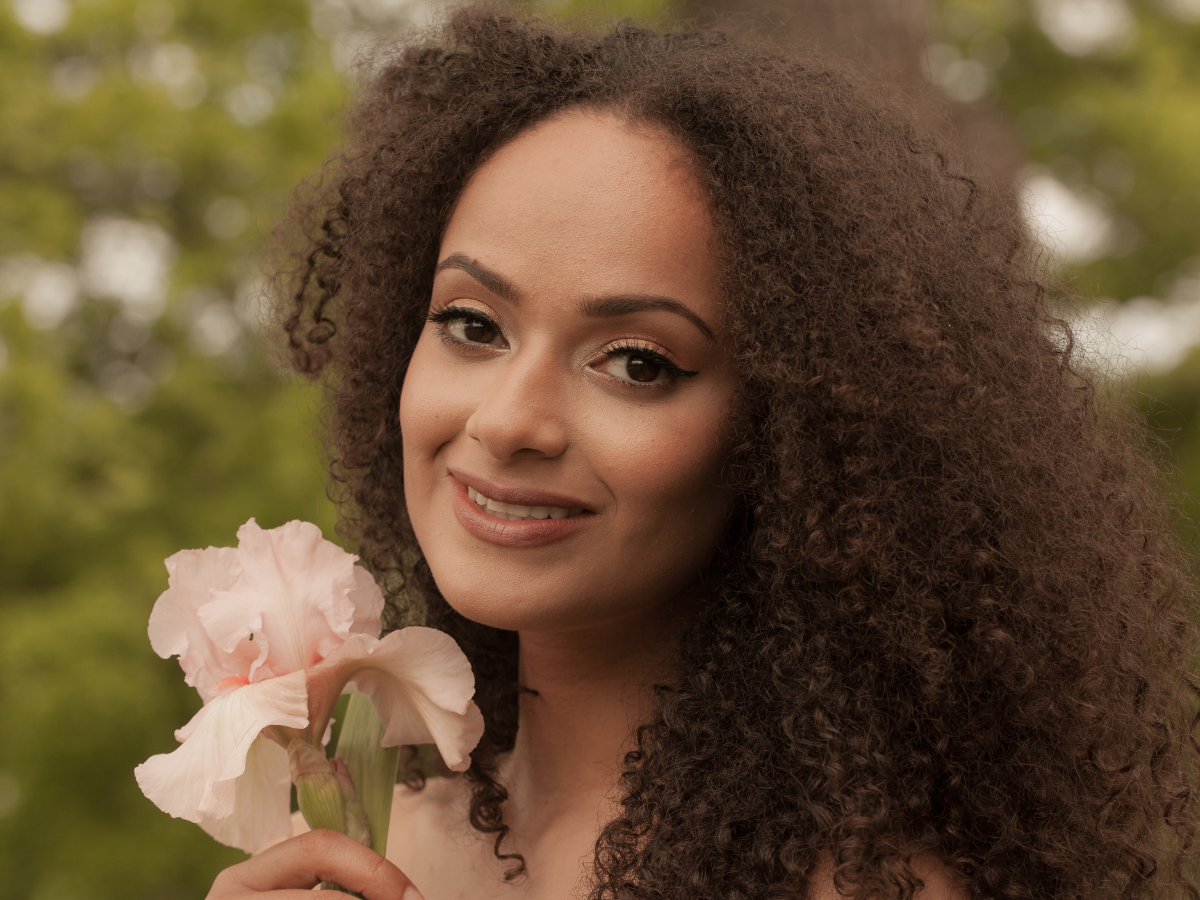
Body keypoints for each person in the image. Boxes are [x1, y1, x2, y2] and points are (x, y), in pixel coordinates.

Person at [207, 7, 1200, 899]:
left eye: (637, 363)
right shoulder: (345, 853)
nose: (509, 422)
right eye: (473, 325)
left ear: (794, 441)